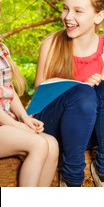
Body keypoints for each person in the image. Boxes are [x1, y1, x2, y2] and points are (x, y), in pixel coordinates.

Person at [33, 0, 104, 187]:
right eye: (66, 9)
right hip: (53, 127)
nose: (68, 17)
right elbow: (39, 97)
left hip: (89, 129)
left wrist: (94, 87)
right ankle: (71, 179)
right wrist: (75, 86)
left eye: (78, 11)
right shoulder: (51, 44)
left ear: (98, 16)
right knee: (82, 94)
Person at [0, 39, 58, 186]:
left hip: (5, 123)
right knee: (38, 144)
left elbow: (7, 90)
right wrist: (15, 125)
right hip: (4, 125)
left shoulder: (1, 47)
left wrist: (24, 118)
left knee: (52, 144)